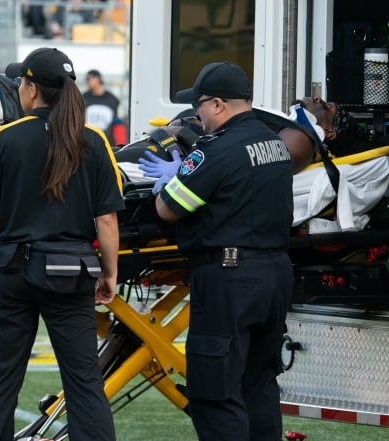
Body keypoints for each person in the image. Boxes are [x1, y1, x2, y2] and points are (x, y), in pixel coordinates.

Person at [0, 47, 122, 441]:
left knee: (3, 378)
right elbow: (106, 218)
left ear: (32, 88)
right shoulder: (94, 139)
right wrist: (110, 273)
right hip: (73, 272)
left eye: (21, 81)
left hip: (15, 272)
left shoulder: (7, 137)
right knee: (85, 380)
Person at [138, 61, 294, 440]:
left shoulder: (214, 150)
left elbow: (167, 209)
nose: (197, 115)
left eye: (201, 106)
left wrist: (173, 179)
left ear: (219, 104)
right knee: (257, 385)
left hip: (229, 279)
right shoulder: (274, 141)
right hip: (274, 274)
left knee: (216, 393)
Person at [83, 69, 122, 146]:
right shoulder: (83, 98)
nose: (87, 81)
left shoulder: (112, 99)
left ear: (98, 79)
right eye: (86, 79)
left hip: (107, 142)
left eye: (89, 79)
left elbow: (117, 123)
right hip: (87, 142)